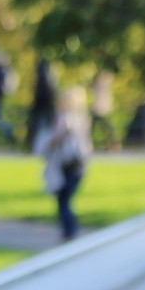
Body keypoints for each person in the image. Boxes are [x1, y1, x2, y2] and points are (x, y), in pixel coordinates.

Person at [40, 85, 93, 241]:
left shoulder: (65, 118)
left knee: (63, 200)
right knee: (66, 199)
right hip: (79, 164)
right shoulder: (84, 118)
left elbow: (56, 139)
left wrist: (47, 145)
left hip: (66, 164)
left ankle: (69, 230)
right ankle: (70, 228)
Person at [25, 58, 58, 155]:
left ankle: (36, 148)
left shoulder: (42, 78)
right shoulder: (50, 78)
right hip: (46, 108)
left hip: (41, 108)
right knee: (42, 128)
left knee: (39, 128)